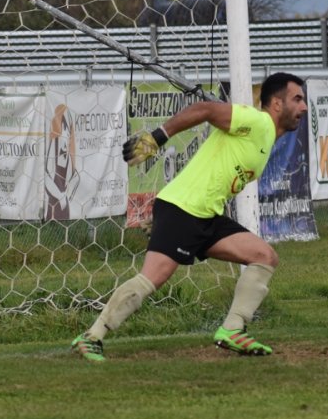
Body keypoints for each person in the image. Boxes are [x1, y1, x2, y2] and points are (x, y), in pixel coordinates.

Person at [70, 72, 308, 362]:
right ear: (276, 104)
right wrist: (156, 138)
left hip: (206, 216)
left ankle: (233, 330)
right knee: (151, 280)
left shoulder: (266, 139)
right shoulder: (257, 121)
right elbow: (205, 110)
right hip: (183, 211)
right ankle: (92, 337)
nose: (304, 107)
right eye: (297, 99)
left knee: (264, 256)